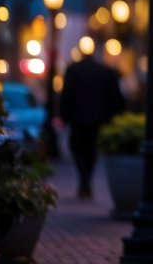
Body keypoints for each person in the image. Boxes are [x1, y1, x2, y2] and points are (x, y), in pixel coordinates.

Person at [59, 45, 126, 199]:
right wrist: (114, 116)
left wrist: (64, 115)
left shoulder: (73, 71)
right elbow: (115, 97)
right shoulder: (105, 71)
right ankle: (85, 179)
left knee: (78, 148)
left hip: (78, 118)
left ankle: (84, 180)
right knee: (91, 149)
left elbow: (66, 95)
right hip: (98, 118)